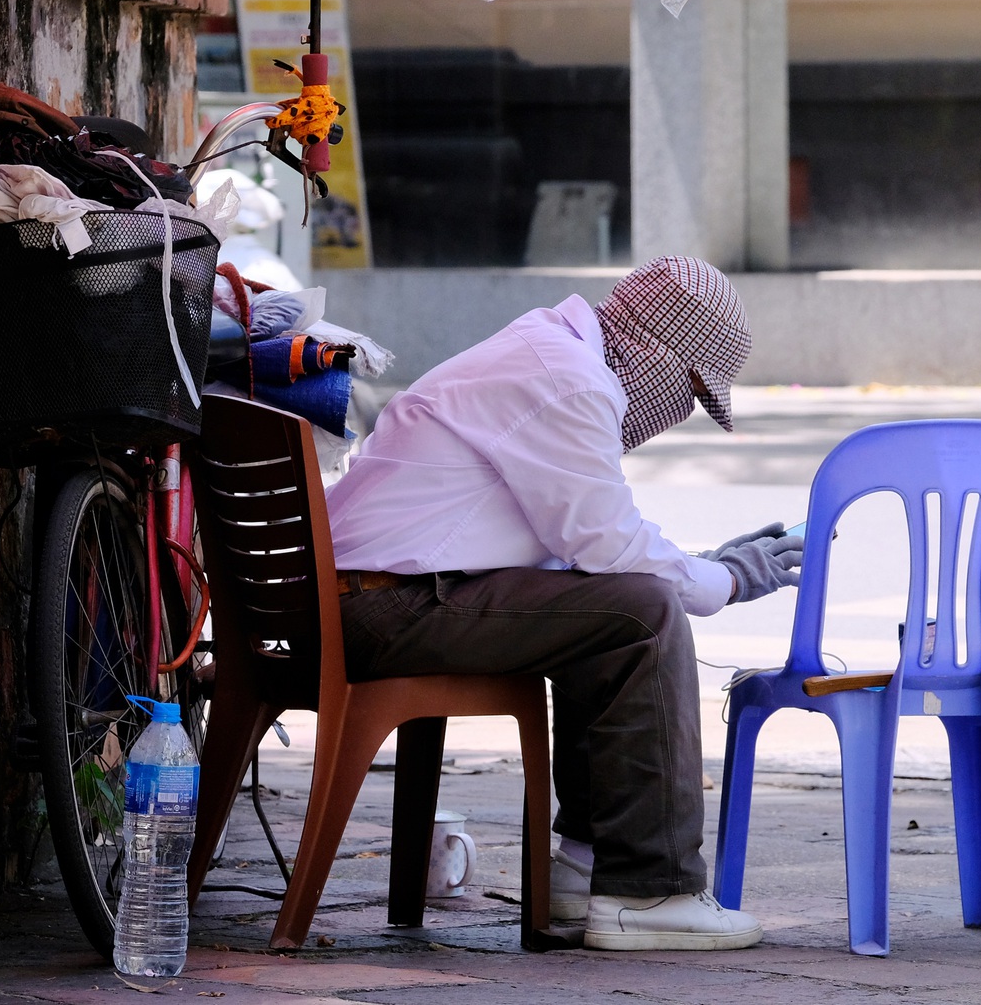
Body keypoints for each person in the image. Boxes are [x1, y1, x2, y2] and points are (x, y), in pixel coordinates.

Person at [325, 256, 803, 951]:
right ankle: (650, 890)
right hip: (385, 606)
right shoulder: (568, 380)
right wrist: (723, 579)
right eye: (691, 393)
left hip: (374, 594)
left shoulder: (548, 351)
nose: (676, 416)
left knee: (614, 612)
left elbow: (587, 550)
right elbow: (610, 545)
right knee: (643, 616)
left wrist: (705, 565)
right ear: (656, 353)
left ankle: (585, 869)